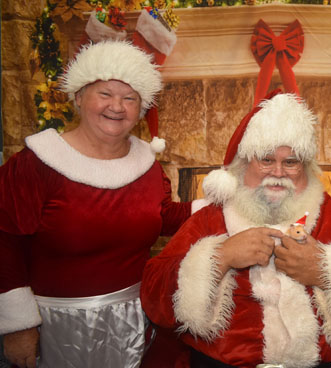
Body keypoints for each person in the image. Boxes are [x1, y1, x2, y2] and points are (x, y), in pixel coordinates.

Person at [141, 92, 331, 367]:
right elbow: (153, 292)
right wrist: (220, 258)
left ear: (305, 166)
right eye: (266, 159)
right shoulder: (211, 218)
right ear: (245, 162)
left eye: (290, 162)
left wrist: (326, 270)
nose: (278, 172)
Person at [0, 40, 201, 368]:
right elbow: (3, 240)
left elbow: (163, 215)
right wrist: (18, 325)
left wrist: (231, 203)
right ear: (78, 97)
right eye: (105, 94)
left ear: (141, 108)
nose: (117, 107)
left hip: (137, 322)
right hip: (55, 328)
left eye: (129, 98)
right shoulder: (35, 164)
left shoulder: (147, 163)